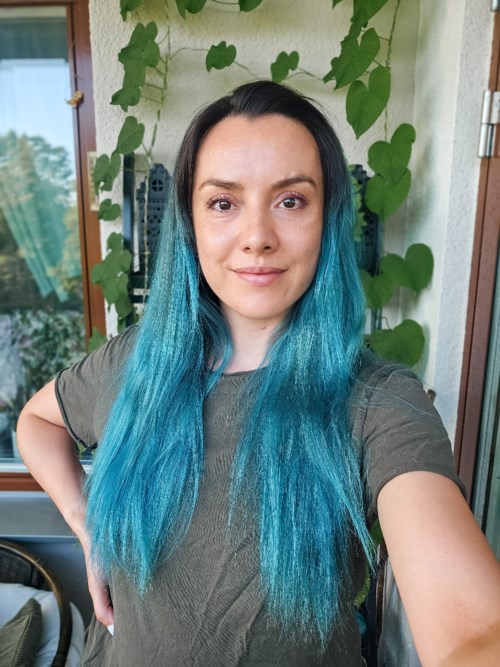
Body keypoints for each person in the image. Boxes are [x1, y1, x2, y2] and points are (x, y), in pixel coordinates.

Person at [17, 81, 500, 666]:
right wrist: (88, 526)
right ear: (190, 224)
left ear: (328, 220)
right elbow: (37, 423)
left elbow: (474, 634)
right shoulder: (135, 362)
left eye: (291, 201)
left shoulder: (377, 404)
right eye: (223, 203)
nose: (256, 238)